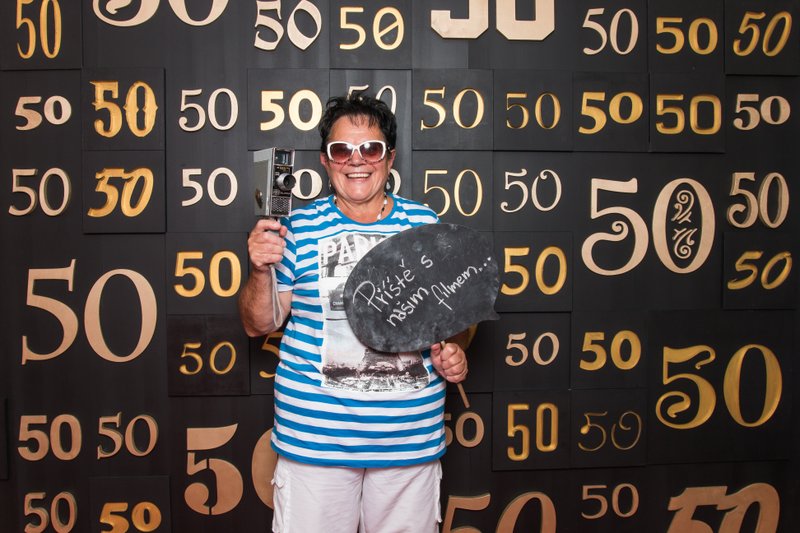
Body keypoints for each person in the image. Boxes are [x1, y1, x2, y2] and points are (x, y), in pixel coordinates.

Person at [239, 92, 469, 532]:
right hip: (315, 444)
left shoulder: (425, 223)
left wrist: (454, 352)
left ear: (390, 157)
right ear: (326, 161)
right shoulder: (294, 230)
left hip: (408, 442)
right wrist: (259, 268)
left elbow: (448, 318)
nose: (357, 160)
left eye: (371, 148)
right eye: (342, 149)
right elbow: (259, 324)